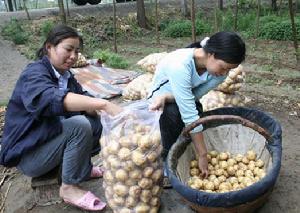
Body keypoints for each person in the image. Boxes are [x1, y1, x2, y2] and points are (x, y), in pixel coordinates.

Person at [0, 25, 122, 211]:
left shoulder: (66, 76)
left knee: (93, 121)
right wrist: (101, 103)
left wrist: (99, 110)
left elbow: (83, 99)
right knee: (79, 125)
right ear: (49, 47)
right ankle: (69, 188)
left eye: (77, 51)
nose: (73, 56)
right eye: (68, 49)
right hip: (30, 155)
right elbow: (47, 99)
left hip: (46, 140)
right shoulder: (33, 74)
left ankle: (83, 170)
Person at [148, 31, 246, 180]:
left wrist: (169, 97)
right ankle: (167, 160)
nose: (225, 73)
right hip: (158, 103)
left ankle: (184, 150)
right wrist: (203, 154)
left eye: (229, 69)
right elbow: (189, 114)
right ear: (212, 54)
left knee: (197, 116)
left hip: (176, 97)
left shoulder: (218, 73)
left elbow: (194, 97)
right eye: (224, 67)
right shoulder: (180, 64)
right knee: (174, 115)